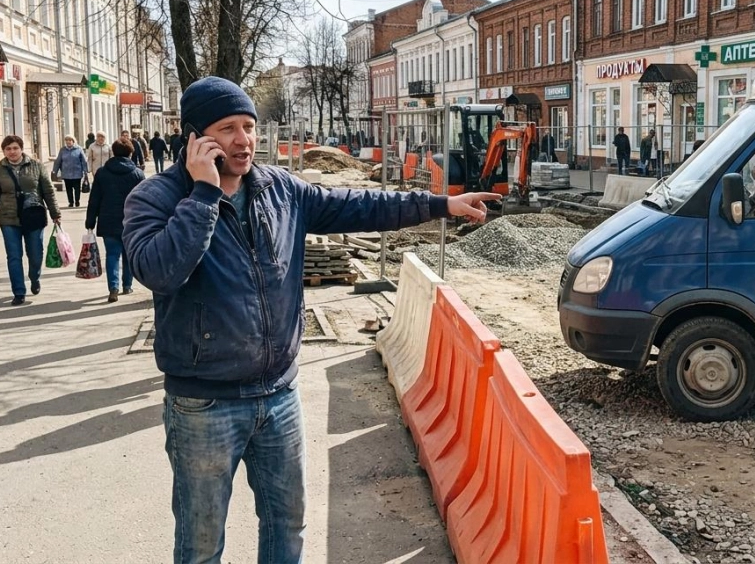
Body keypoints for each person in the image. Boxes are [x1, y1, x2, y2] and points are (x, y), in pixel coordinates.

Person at [122, 76, 499, 563]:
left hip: (279, 395)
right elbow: (160, 271)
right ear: (196, 138)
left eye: (249, 126)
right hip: (204, 403)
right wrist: (202, 195)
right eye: (228, 128)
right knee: (200, 543)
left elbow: (359, 206)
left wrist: (441, 205)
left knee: (286, 524)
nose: (244, 141)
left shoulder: (280, 190)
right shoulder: (154, 198)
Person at [0, 135, 62, 305]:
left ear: (22, 149)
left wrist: (55, 213)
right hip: (9, 219)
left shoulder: (36, 166)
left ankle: (34, 277)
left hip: (33, 216)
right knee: (14, 256)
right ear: (4, 151)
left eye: (15, 148)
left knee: (35, 254)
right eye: (8, 149)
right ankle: (18, 291)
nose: (12, 152)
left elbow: (48, 191)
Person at [86, 139, 145, 302]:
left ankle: (113, 287)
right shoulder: (137, 174)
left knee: (112, 254)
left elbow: (94, 199)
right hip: (132, 222)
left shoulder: (102, 173)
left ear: (113, 152)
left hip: (108, 220)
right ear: (130, 153)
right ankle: (127, 285)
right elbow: (144, 200)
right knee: (129, 254)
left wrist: (90, 221)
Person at [52, 136, 89, 208]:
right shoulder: (62, 150)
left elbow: (84, 161)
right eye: (66, 140)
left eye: (69, 140)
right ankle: (71, 202)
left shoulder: (79, 149)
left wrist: (85, 171)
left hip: (77, 173)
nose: (68, 142)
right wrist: (54, 171)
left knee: (77, 188)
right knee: (68, 189)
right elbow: (58, 161)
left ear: (73, 141)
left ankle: (77, 201)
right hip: (66, 173)